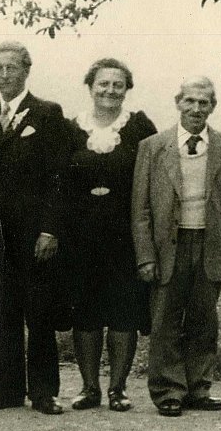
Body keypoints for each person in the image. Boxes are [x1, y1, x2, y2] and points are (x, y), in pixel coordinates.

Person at [132, 76, 221, 417]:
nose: (197, 109)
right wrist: (146, 256)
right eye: (190, 102)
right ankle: (168, 391)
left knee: (203, 318)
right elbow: (141, 209)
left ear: (213, 107)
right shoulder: (153, 146)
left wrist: (220, 232)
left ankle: (198, 387)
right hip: (169, 245)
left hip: (208, 243)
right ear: (178, 103)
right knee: (165, 317)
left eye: (204, 103)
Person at [61, 58, 157, 412]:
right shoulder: (71, 129)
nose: (110, 90)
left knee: (123, 310)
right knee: (84, 310)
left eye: (118, 84)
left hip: (125, 234)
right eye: (103, 84)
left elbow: (154, 178)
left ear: (127, 89)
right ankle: (89, 389)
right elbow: (61, 181)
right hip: (81, 235)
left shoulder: (140, 127)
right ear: (90, 87)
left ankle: (118, 389)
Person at [0, 41, 66, 415]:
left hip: (35, 233)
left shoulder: (47, 113)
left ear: (26, 70)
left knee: (39, 312)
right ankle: (8, 390)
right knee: (4, 311)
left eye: (12, 67)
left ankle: (43, 392)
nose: (5, 75)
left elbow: (58, 176)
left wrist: (50, 229)